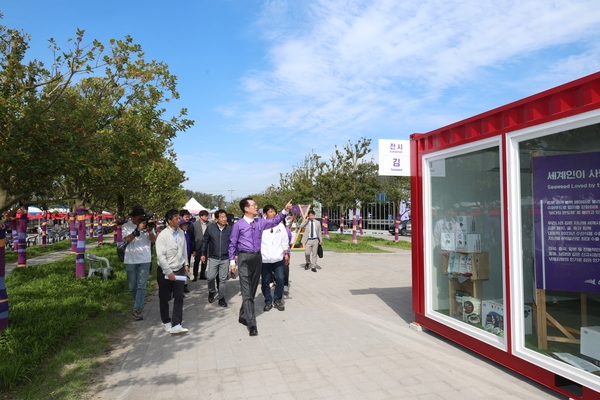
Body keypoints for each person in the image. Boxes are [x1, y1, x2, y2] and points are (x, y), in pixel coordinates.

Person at [229, 198, 293, 336]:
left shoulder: (260, 222)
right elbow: (232, 244)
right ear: (246, 209)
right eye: (253, 205)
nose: (256, 207)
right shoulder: (238, 225)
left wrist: (284, 210)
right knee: (246, 292)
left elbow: (275, 221)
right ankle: (252, 324)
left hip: (257, 258)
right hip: (244, 258)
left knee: (251, 290)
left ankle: (242, 315)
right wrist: (232, 262)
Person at [156, 209, 190, 334]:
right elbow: (160, 256)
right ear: (169, 220)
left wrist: (186, 263)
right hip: (165, 271)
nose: (179, 220)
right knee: (164, 297)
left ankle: (177, 323)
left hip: (179, 269)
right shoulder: (163, 236)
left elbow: (184, 249)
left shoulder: (181, 232)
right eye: (176, 218)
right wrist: (168, 271)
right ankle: (166, 321)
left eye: (179, 217)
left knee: (179, 297)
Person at [122, 206, 156, 321]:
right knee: (132, 286)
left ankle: (137, 309)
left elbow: (153, 240)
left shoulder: (148, 225)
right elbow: (127, 239)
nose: (140, 218)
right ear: (133, 217)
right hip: (131, 260)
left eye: (142, 215)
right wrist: (137, 230)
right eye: (138, 216)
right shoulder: (126, 226)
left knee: (141, 285)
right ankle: (138, 303)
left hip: (145, 259)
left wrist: (150, 230)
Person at [260, 205, 290, 312]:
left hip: (278, 258)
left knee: (280, 278)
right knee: (265, 281)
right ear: (265, 214)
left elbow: (284, 240)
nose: (273, 213)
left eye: (274, 212)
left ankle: (277, 300)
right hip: (265, 258)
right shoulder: (261, 225)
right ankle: (268, 301)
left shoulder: (280, 226)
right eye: (270, 211)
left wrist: (286, 253)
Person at [201, 209, 232, 307]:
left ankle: (221, 298)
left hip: (225, 258)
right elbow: (205, 241)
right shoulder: (210, 228)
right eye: (222, 217)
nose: (224, 219)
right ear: (217, 218)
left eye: (225, 216)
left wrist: (234, 256)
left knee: (223, 279)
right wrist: (203, 253)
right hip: (213, 257)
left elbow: (233, 243)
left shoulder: (230, 229)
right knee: (210, 277)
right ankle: (212, 291)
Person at [179, 209, 195, 293]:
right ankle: (178, 288)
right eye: (186, 217)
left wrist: (193, 250)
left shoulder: (188, 232)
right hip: (179, 257)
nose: (188, 218)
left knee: (186, 270)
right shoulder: (178, 234)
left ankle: (184, 285)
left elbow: (191, 241)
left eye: (188, 217)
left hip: (187, 255)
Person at [192, 210, 210, 280]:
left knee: (205, 261)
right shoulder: (194, 225)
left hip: (206, 246)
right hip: (198, 246)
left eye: (207, 216)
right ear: (201, 216)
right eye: (205, 216)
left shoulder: (210, 224)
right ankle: (195, 275)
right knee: (196, 261)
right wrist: (193, 249)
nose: (207, 217)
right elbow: (193, 237)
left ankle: (202, 274)